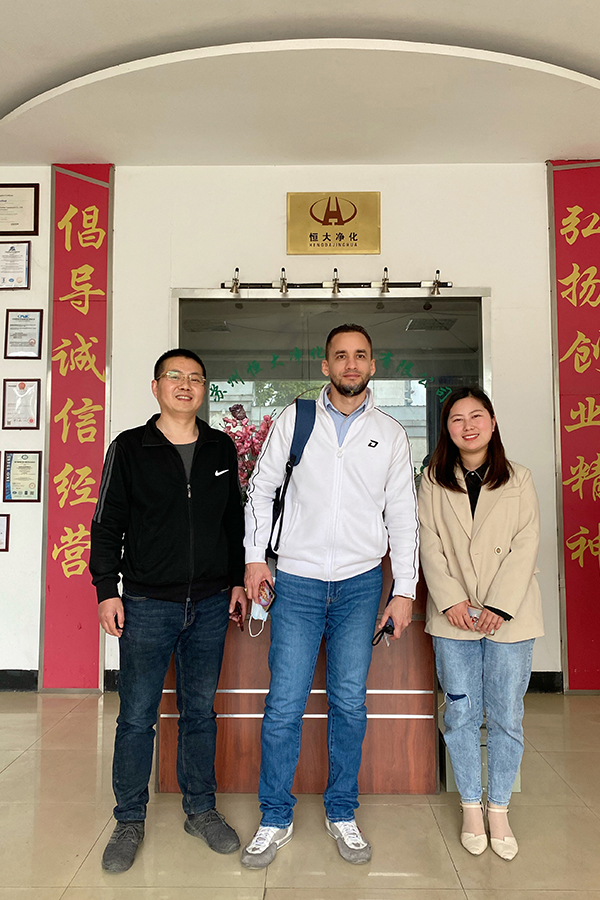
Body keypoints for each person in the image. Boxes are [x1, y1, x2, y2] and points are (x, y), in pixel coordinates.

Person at [241, 324, 419, 868]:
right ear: (325, 366)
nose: (351, 363)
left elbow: (403, 515)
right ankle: (275, 817)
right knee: (284, 704)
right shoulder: (295, 420)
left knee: (348, 702)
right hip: (296, 582)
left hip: (361, 585)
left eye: (360, 355)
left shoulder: (390, 433)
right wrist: (254, 558)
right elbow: (261, 489)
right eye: (340, 355)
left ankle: (342, 811)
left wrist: (404, 590)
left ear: (373, 364)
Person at [90, 348, 247, 873]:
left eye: (195, 378)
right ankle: (129, 818)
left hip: (210, 603)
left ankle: (200, 810)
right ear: (156, 387)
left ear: (204, 389)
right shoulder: (129, 447)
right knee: (137, 716)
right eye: (174, 376)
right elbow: (106, 524)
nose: (185, 384)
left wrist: (234, 581)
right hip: (146, 603)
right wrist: (106, 590)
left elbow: (233, 523)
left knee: (200, 712)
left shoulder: (221, 446)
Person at [418, 386, 544, 861]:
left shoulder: (519, 478)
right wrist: (451, 599)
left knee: (506, 714)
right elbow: (428, 542)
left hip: (509, 616)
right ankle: (471, 803)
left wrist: (499, 606)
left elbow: (526, 542)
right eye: (457, 419)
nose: (468, 426)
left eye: (477, 416)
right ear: (446, 429)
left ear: (492, 423)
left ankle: (499, 807)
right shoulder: (433, 480)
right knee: (461, 712)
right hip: (454, 616)